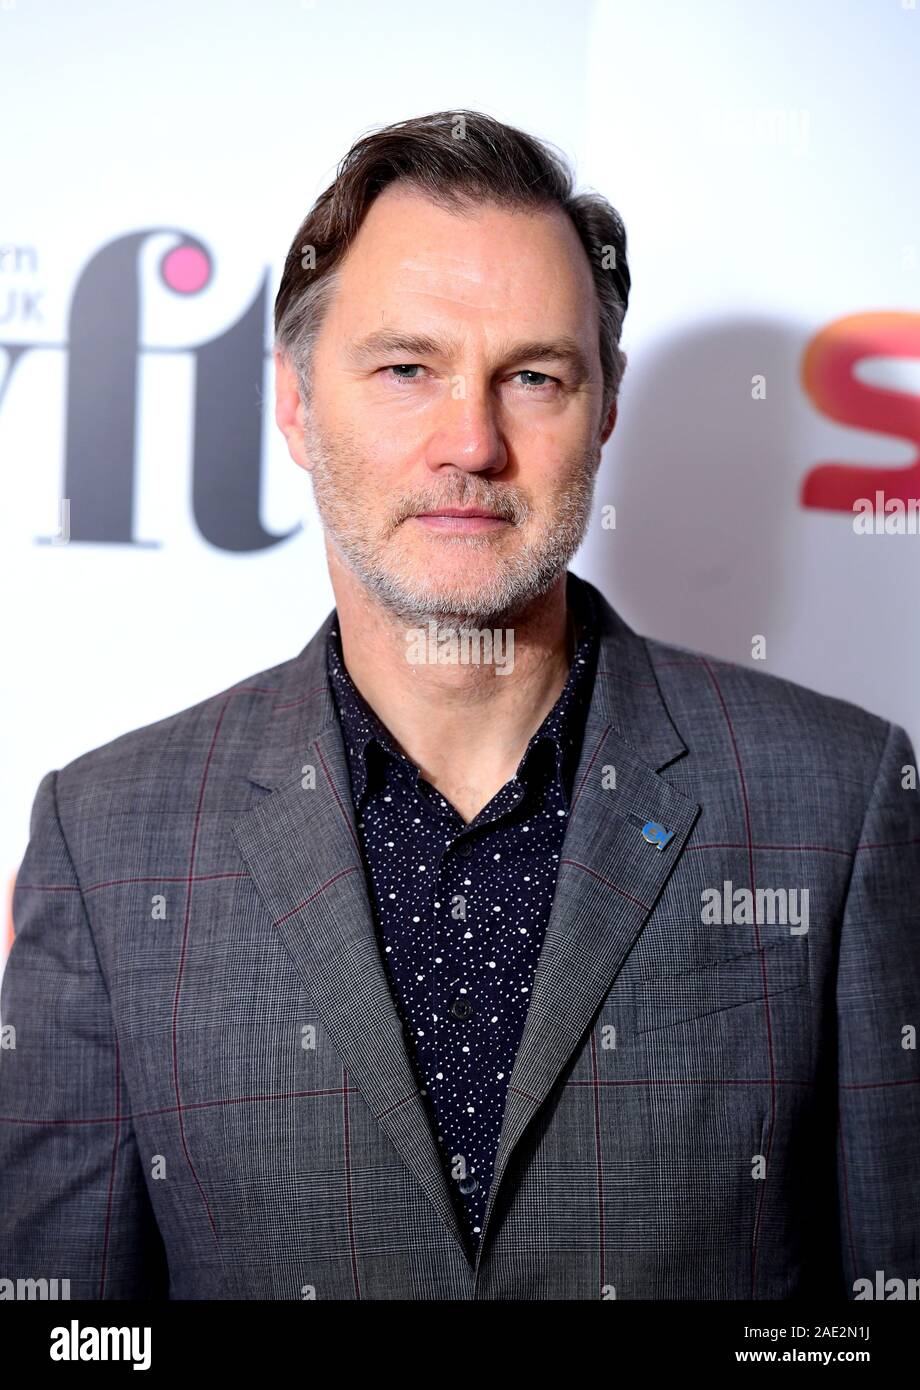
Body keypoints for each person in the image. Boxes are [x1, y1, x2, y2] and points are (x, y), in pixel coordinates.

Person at [2, 110, 917, 1301]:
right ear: (293, 403)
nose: (471, 441)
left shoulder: (836, 801)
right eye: (405, 368)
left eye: (532, 377)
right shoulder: (107, 834)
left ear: (603, 407)